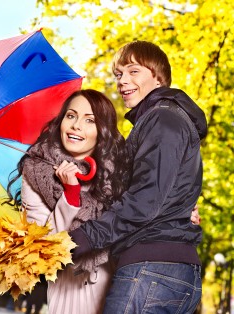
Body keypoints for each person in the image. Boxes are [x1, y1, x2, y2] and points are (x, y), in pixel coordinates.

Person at [69, 41, 207, 313]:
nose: (123, 81)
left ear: (158, 77)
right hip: (160, 273)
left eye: (134, 71)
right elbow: (160, 193)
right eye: (118, 74)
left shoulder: (162, 120)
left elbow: (144, 200)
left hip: (151, 271)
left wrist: (83, 238)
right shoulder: (159, 121)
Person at [6, 89, 131, 314]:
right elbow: (44, 244)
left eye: (89, 120)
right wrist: (70, 195)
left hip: (115, 287)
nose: (76, 126)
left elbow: (141, 212)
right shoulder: (36, 171)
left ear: (101, 132)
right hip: (69, 286)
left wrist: (182, 211)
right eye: (71, 116)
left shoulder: (119, 174)